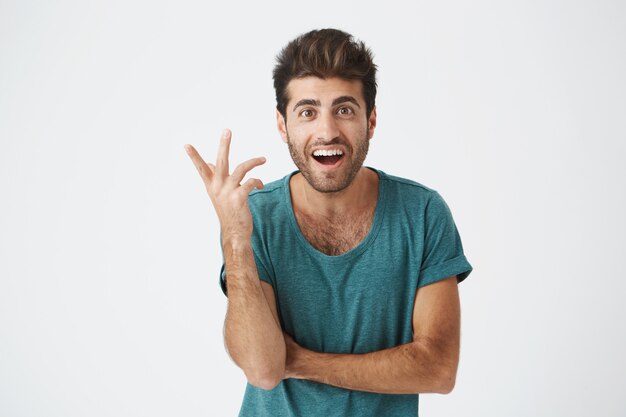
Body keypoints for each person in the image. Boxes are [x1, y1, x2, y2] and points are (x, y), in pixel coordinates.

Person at [185, 28, 473, 417]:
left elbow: (438, 369)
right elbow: (264, 369)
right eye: (307, 112)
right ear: (282, 125)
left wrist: (302, 361)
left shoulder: (422, 213)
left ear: (370, 121)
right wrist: (235, 237)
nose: (327, 131)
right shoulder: (255, 217)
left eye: (344, 109)